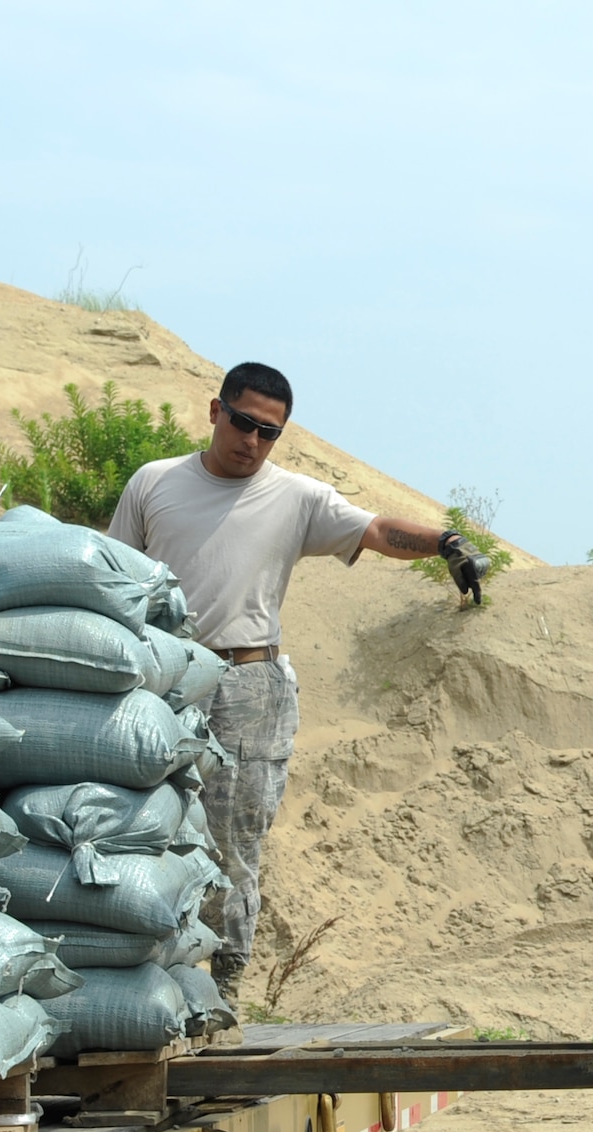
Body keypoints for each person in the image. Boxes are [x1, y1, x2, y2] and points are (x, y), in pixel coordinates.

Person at [109, 362, 479, 1009]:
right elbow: (117, 582)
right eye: (244, 423)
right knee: (147, 828)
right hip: (165, 681)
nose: (252, 441)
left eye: (269, 432)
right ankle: (148, 977)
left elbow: (374, 530)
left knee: (229, 840)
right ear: (215, 410)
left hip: (246, 686)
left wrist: (445, 541)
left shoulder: (297, 498)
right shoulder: (155, 484)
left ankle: (220, 986)